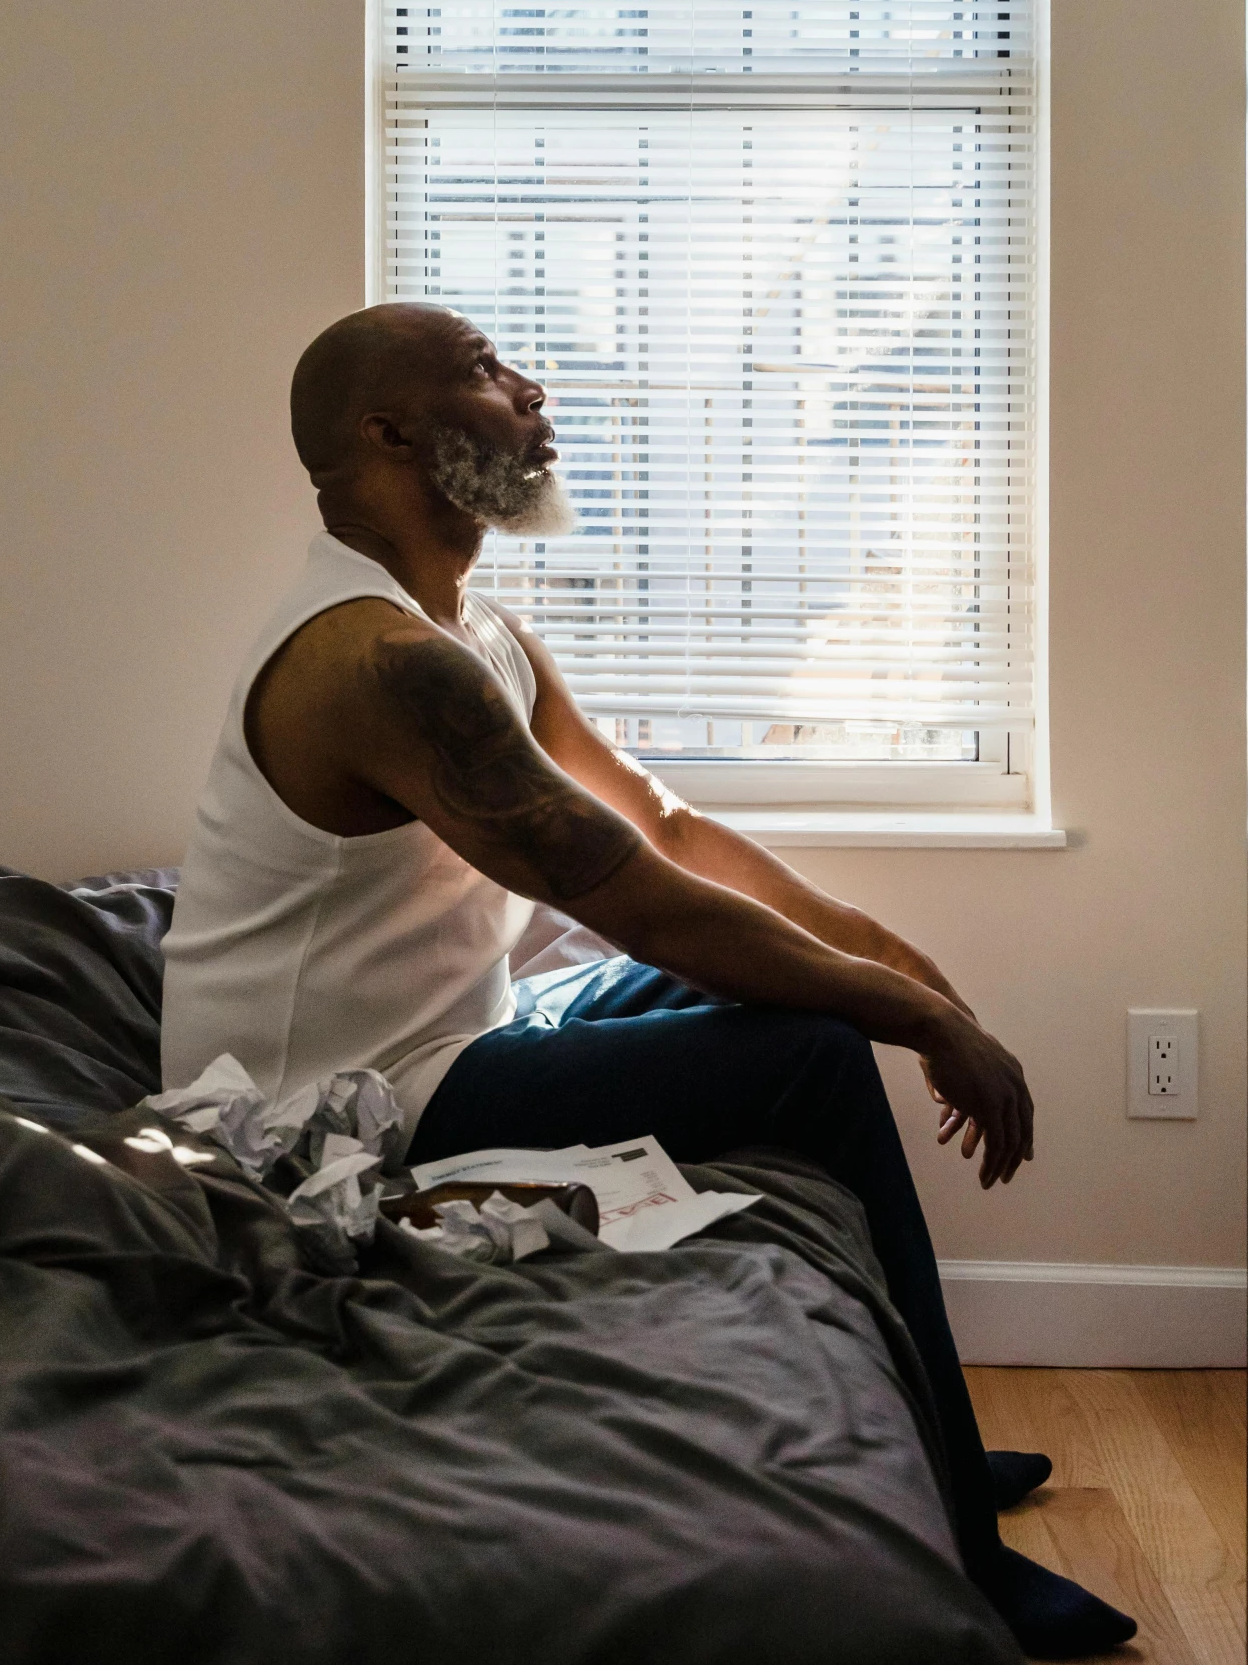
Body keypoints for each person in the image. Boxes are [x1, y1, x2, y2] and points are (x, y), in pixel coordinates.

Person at [161, 302, 1137, 1661]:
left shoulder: (468, 627)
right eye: (485, 371)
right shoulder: (374, 662)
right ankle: (970, 1561)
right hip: (334, 1109)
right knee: (810, 1051)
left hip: (453, 1030)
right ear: (389, 432)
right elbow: (622, 887)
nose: (530, 386)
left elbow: (664, 827)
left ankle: (934, 1449)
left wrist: (907, 969)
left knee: (809, 1002)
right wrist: (903, 1015)